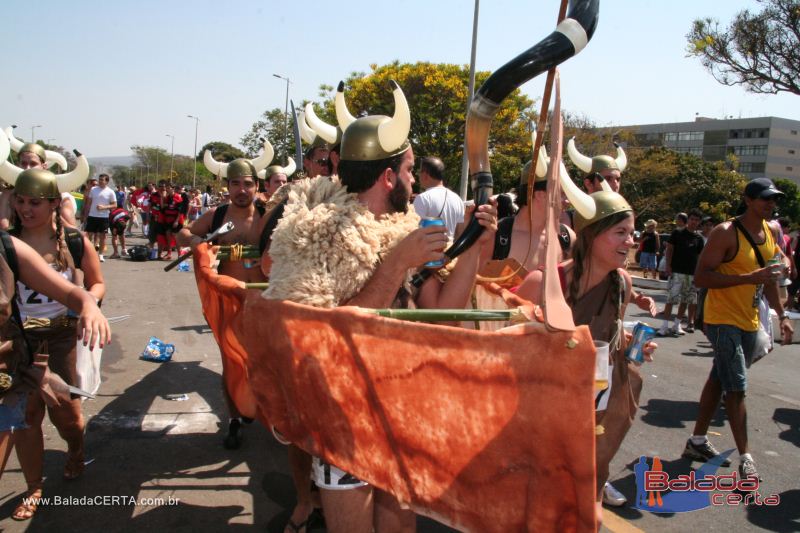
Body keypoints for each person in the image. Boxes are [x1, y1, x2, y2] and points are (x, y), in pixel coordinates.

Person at [263, 83, 496, 533]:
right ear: (388, 177)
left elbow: (444, 308)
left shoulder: (404, 228)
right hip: (344, 415)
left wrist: (473, 249)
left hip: (401, 408)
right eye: (409, 170)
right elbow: (322, 334)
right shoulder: (316, 234)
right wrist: (395, 264)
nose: (414, 179)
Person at [516, 188, 657, 516]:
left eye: (632, 233)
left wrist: (633, 344)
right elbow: (507, 349)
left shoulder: (622, 283)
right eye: (620, 232)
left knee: (582, 501)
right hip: (539, 418)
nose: (631, 242)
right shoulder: (545, 283)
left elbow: (609, 335)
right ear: (592, 235)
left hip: (593, 413)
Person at [2, 168, 109, 521]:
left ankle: (75, 448)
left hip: (63, 336)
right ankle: (34, 487)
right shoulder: (8, 243)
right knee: (27, 416)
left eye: (35, 202)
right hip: (22, 340)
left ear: (53, 203)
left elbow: (95, 284)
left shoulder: (75, 241)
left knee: (66, 414)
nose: (25, 209)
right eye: (20, 201)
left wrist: (88, 307)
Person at [684, 178, 793, 482]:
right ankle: (746, 455)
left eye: (774, 199)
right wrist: (749, 277)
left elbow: (769, 278)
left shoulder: (771, 231)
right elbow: (701, 277)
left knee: (719, 379)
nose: (771, 204)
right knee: (737, 386)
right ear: (748, 200)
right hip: (721, 319)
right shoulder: (725, 233)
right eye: (764, 199)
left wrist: (781, 315)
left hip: (749, 318)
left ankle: (696, 441)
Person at [178, 159, 268, 449]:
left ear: (256, 185)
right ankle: (233, 419)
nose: (242, 190)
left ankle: (256, 407)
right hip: (228, 304)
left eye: (248, 184)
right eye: (235, 184)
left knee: (262, 362)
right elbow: (185, 232)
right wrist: (198, 243)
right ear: (227, 187)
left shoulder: (269, 215)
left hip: (264, 302)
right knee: (232, 362)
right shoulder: (217, 216)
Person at [657, 210, 704, 336]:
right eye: (692, 219)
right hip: (676, 271)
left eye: (697, 220)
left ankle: (677, 325)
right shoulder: (677, 233)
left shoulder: (699, 239)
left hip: (691, 274)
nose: (694, 222)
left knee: (685, 300)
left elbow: (699, 257)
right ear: (688, 220)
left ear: (699, 222)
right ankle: (664, 326)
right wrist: (668, 266)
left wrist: (698, 273)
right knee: (671, 299)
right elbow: (670, 250)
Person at [412, 156, 464, 238]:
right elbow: (460, 232)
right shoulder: (458, 199)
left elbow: (414, 232)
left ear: (425, 175)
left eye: (419, 172)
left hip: (430, 249)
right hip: (452, 249)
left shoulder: (423, 198)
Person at [83, 174, 116, 262]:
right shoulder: (93, 190)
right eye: (100, 179)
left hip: (103, 217)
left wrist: (104, 207)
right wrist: (85, 215)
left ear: (107, 181)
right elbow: (88, 203)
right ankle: (89, 253)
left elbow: (114, 205)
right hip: (92, 216)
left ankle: (100, 254)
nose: (100, 181)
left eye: (102, 180)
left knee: (103, 237)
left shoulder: (110, 192)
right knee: (89, 235)